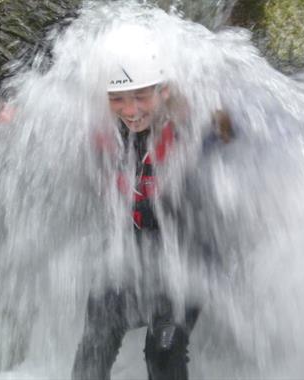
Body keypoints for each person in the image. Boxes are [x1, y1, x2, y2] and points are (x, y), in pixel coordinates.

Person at [71, 28, 201, 380]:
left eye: (141, 96)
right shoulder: (98, 129)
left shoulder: (192, 128)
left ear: (164, 90)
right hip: (124, 249)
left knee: (162, 352)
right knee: (93, 346)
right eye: (118, 99)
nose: (130, 110)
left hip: (183, 254)